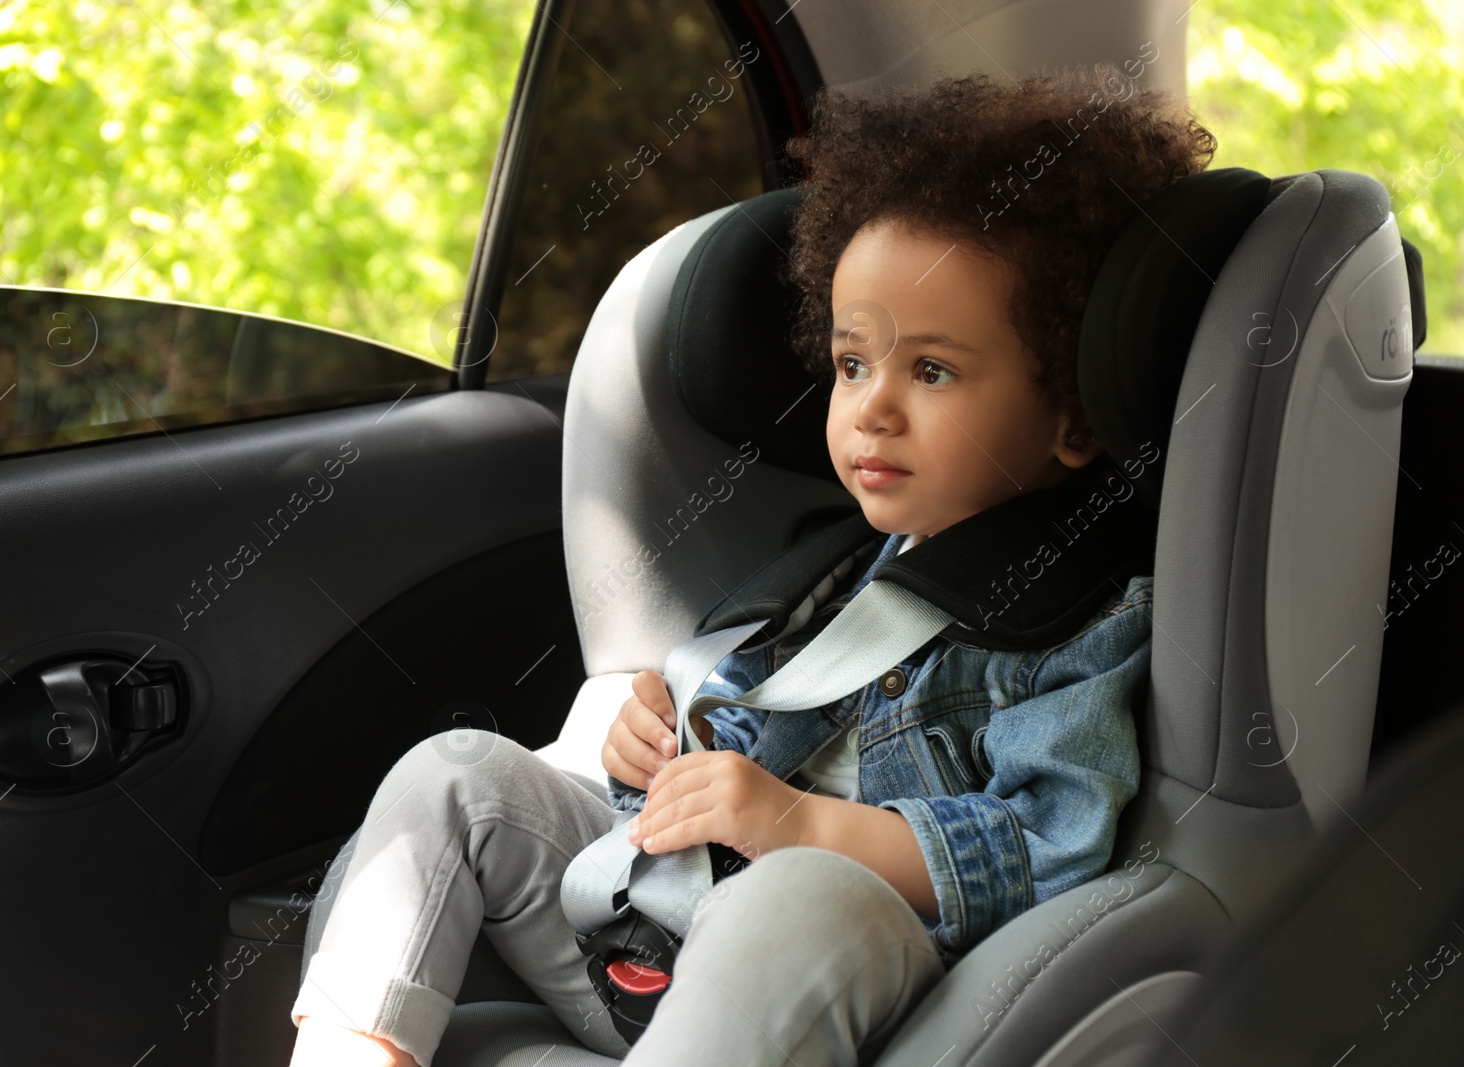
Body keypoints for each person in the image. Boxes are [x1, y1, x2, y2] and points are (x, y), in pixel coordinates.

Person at [287, 62, 1215, 1067]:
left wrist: (795, 823)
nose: (874, 406)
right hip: (650, 939)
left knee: (797, 889)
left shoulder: (1081, 617)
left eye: (932, 370)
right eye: (854, 362)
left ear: (1074, 416)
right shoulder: (829, 571)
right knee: (454, 773)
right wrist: (650, 745)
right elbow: (734, 736)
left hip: (838, 982)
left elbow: (1047, 843)